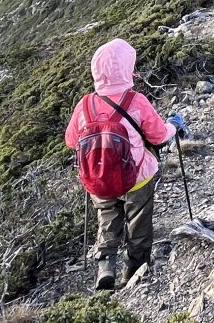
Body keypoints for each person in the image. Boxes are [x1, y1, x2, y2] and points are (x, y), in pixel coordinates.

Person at [64, 38, 188, 290]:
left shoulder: (85, 104)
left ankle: (105, 267)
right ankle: (133, 271)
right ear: (125, 68)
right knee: (138, 222)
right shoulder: (135, 100)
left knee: (107, 218)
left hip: (98, 180)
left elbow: (70, 141)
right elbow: (158, 136)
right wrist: (174, 125)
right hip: (137, 178)